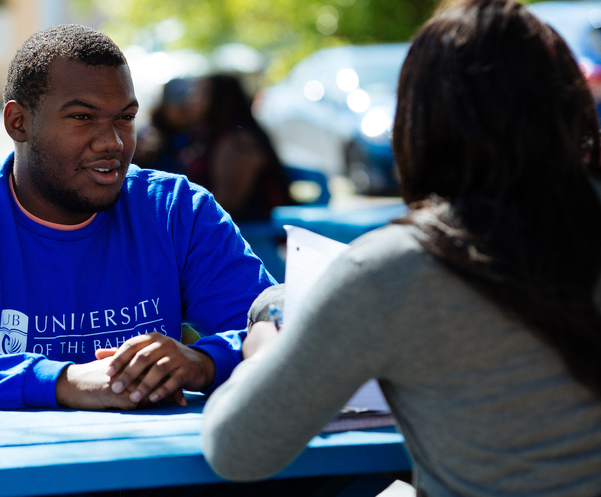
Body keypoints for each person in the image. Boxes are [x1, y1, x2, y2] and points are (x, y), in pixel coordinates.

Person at [201, 0, 601, 495]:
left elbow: (236, 449)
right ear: (570, 106)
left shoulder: (396, 270)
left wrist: (265, 343)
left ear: (418, 122)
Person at [0, 24, 276, 411]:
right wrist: (63, 381)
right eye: (82, 117)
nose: (112, 142)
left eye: (125, 118)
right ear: (19, 123)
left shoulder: (176, 211)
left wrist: (202, 362)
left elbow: (278, 327)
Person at [182, 74, 293, 222]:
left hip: (252, 234)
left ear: (221, 100)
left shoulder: (239, 143)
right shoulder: (210, 135)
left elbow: (227, 204)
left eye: (201, 94)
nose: (193, 100)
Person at [133, 77, 197, 174]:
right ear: (164, 107)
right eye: (179, 107)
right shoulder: (150, 139)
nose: (185, 111)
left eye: (187, 106)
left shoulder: (197, 135)